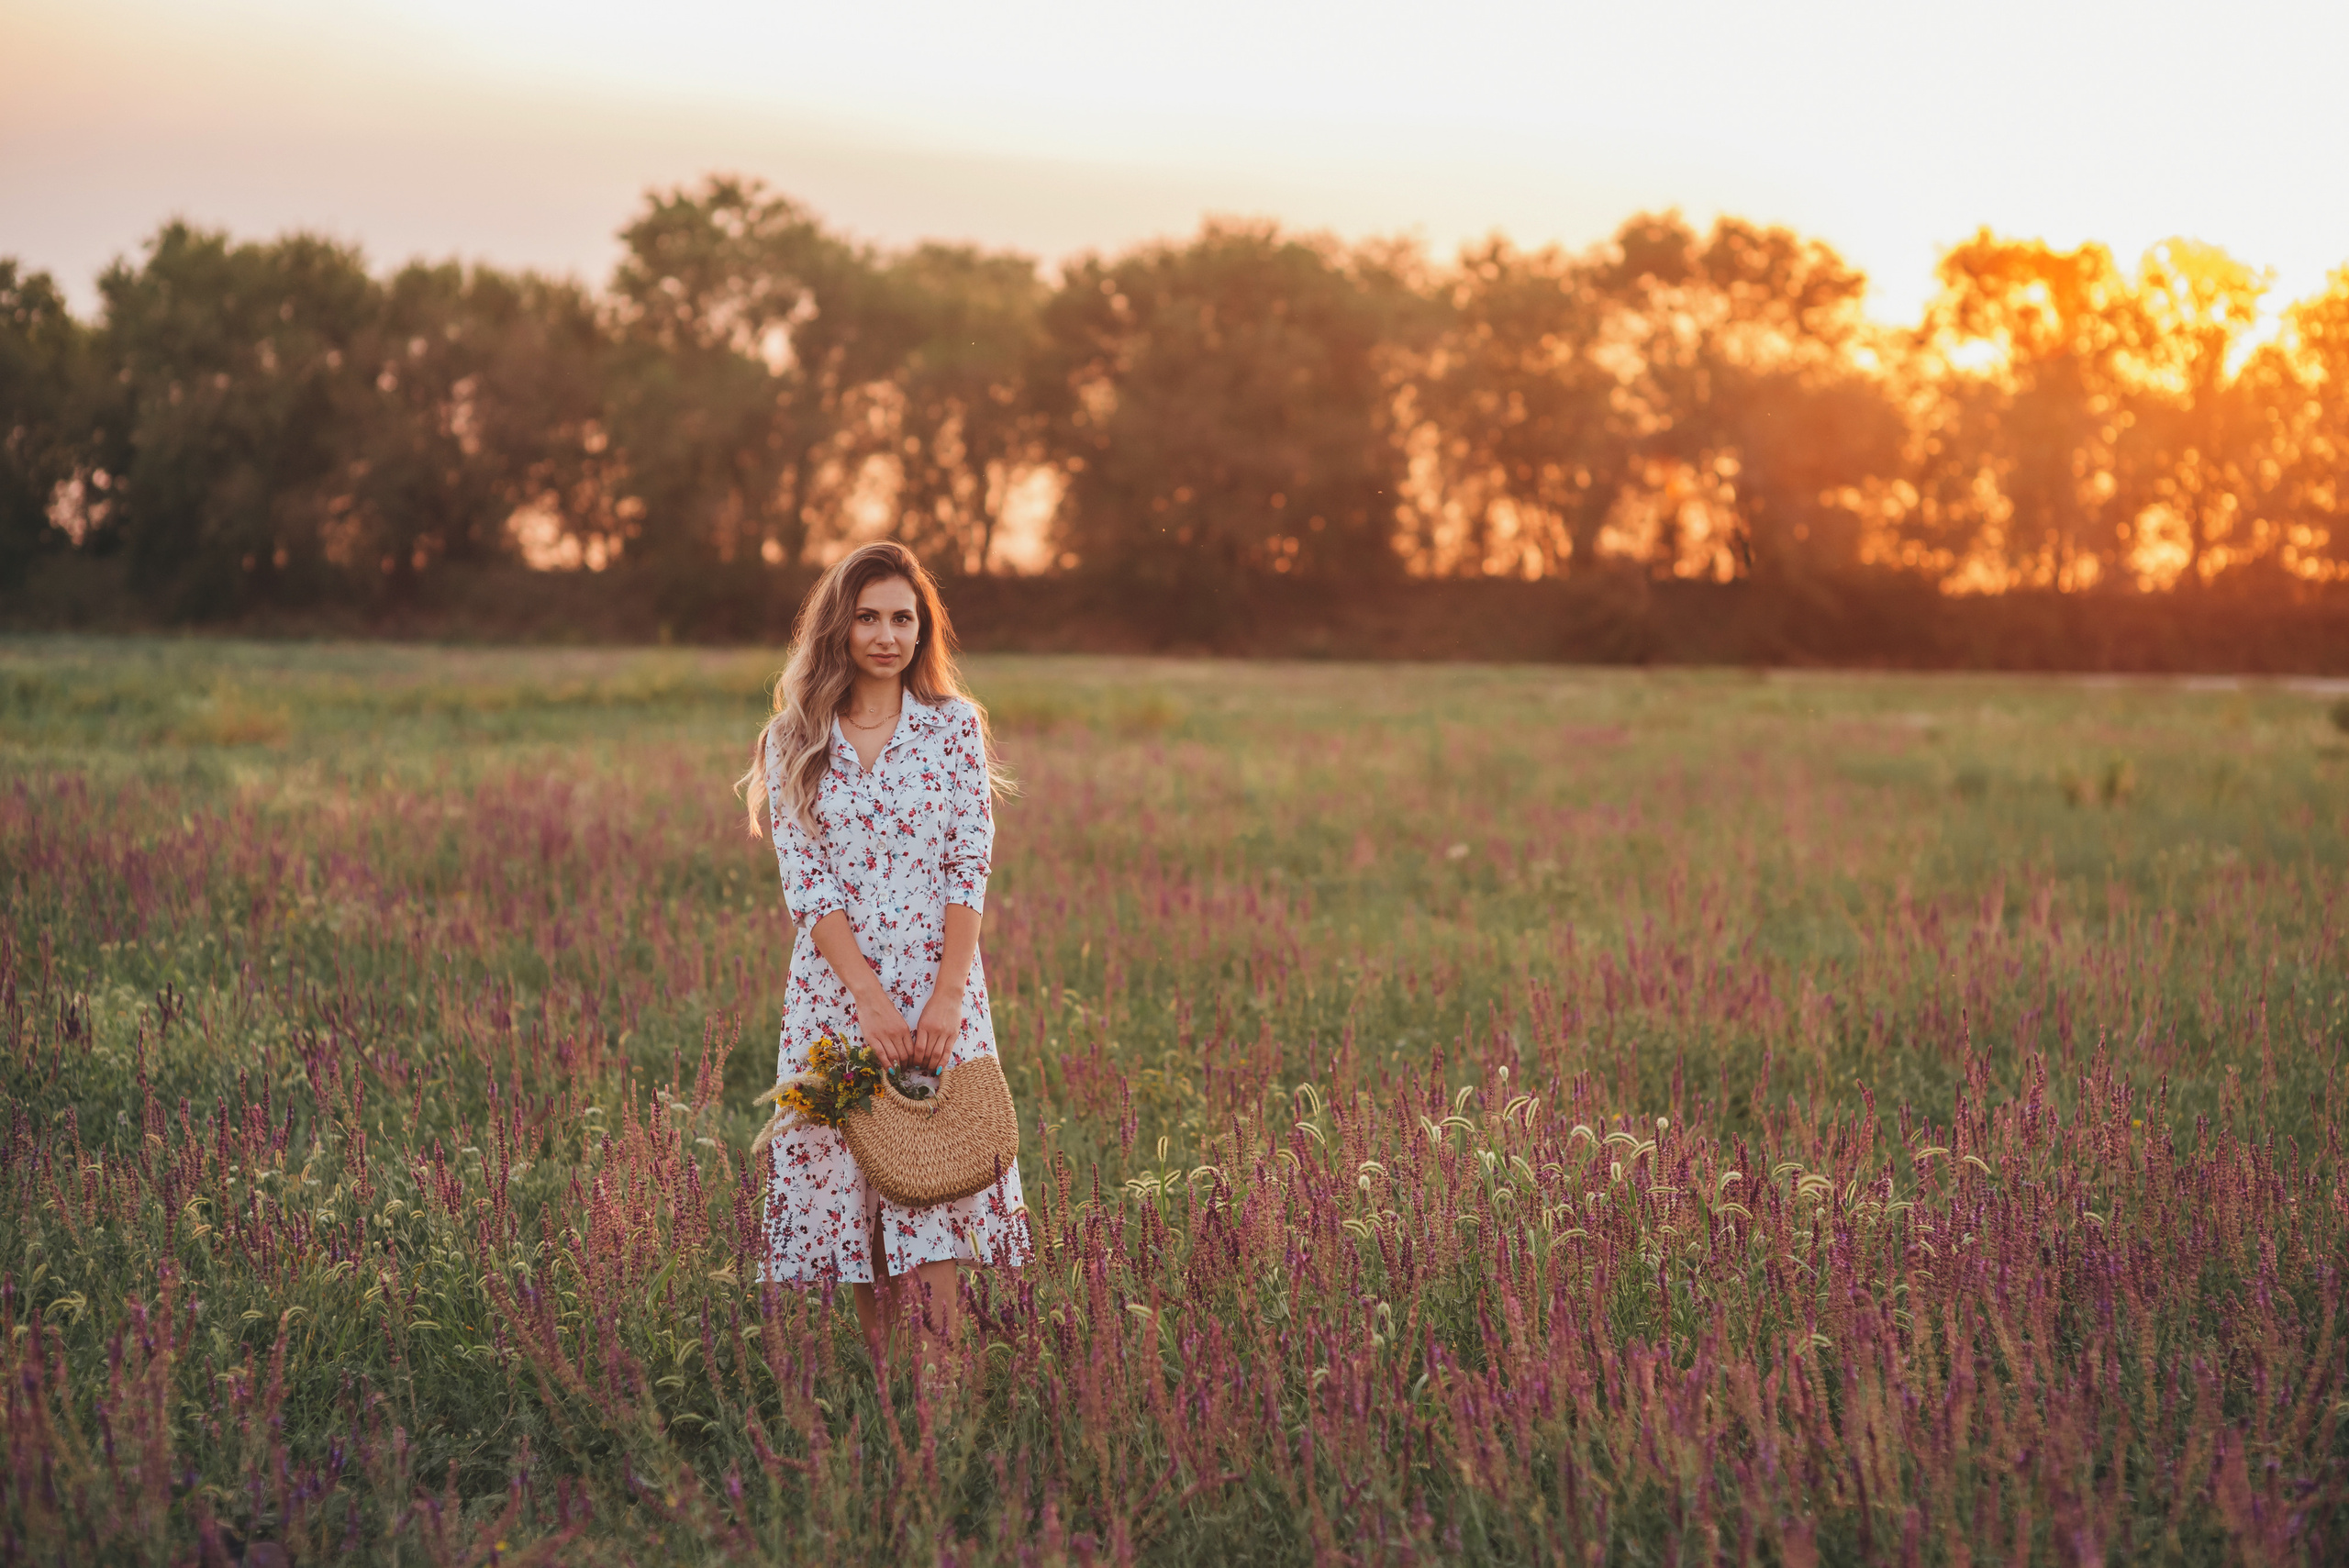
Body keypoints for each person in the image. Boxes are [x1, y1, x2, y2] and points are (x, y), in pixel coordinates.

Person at [736, 540, 1030, 1362]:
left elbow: (968, 862)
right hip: (836, 995)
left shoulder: (953, 729)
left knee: (933, 1171)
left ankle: (942, 1402)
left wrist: (944, 996)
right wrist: (866, 997)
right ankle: (891, 1395)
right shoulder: (792, 737)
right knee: (854, 1187)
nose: (887, 634)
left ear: (922, 630)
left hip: (943, 988)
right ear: (840, 625)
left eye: (904, 618)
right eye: (868, 616)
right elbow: (808, 882)